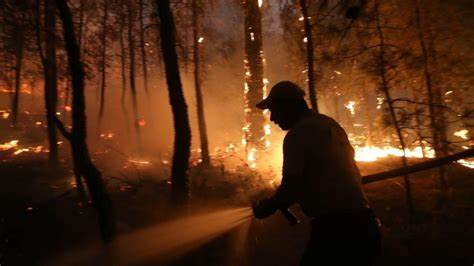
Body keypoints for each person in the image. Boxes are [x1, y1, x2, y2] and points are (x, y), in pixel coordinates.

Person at [252, 81, 382, 266]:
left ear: (288, 106)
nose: (272, 118)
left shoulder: (297, 135)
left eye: (274, 110)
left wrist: (269, 205)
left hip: (336, 230)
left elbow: (291, 186)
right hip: (366, 225)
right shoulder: (329, 124)